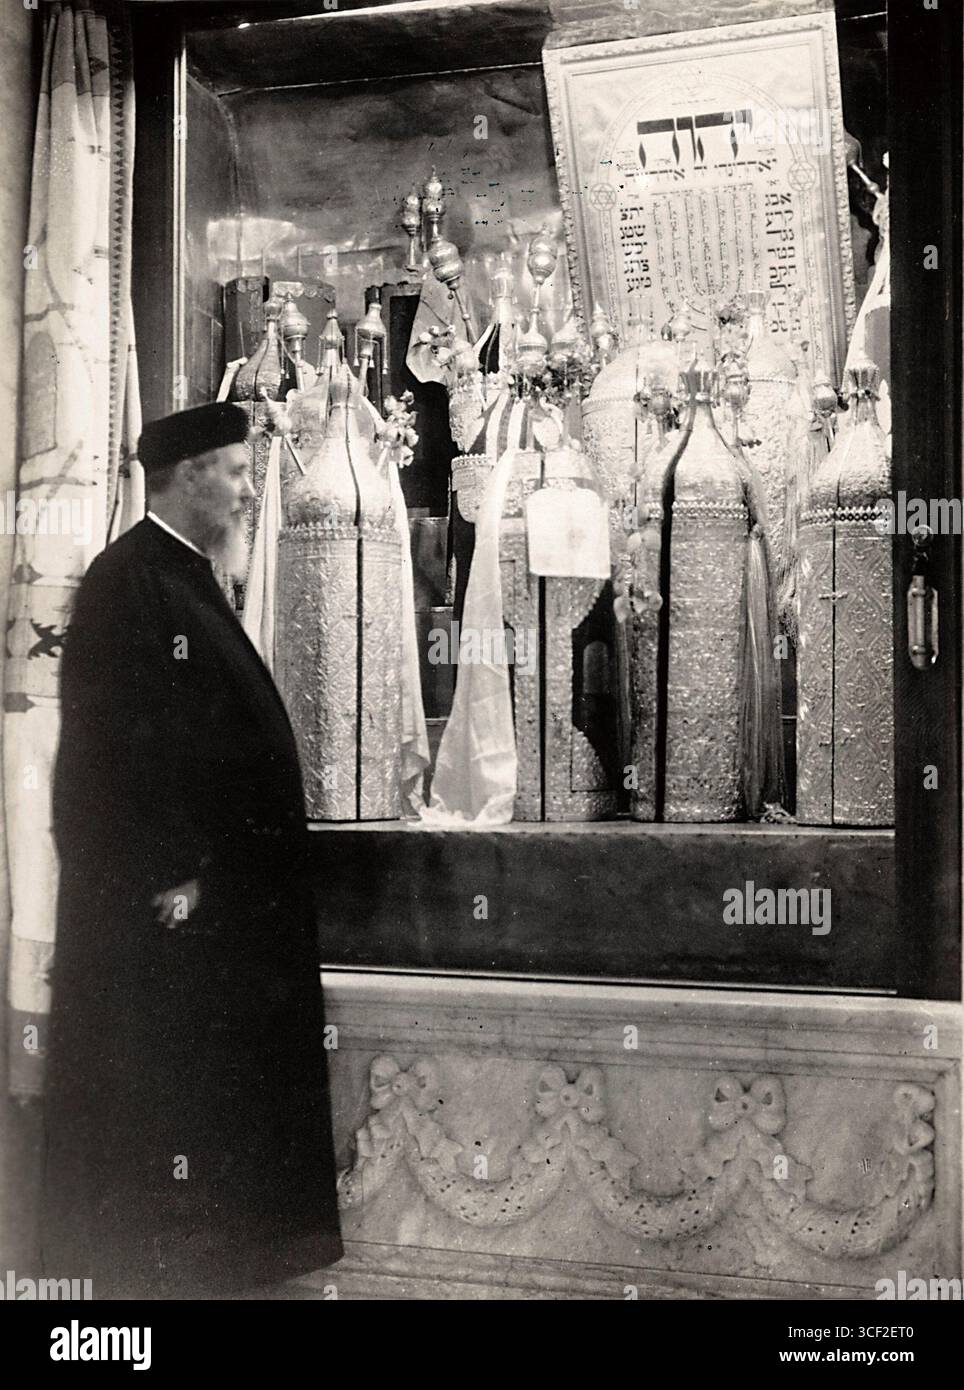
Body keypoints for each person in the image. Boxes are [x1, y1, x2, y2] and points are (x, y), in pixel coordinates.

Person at [42, 401, 342, 1298]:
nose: (252, 492)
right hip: (169, 926)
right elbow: (107, 753)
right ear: (189, 475)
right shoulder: (126, 582)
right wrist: (171, 873)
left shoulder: (186, 577)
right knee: (165, 1132)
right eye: (240, 473)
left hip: (214, 919)